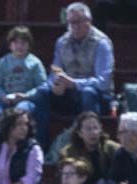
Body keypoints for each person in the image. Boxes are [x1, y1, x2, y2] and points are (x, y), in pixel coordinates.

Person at [27, 3, 114, 142]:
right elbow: (56, 69)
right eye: (70, 22)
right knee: (42, 92)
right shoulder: (62, 42)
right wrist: (55, 83)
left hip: (97, 97)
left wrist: (74, 84)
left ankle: (89, 145)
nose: (73, 26)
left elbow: (103, 82)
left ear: (88, 21)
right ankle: (39, 144)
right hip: (68, 94)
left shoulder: (101, 44)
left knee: (88, 93)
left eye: (77, 22)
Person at [0, 26, 46, 135]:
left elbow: (42, 86)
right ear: (10, 45)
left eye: (23, 42)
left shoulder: (35, 63)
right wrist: (3, 96)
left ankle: (22, 141)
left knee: (20, 110)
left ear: (29, 45)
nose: (19, 46)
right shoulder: (3, 62)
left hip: (27, 101)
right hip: (7, 100)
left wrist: (26, 96)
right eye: (16, 42)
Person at [58, 111, 117, 184]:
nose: (93, 132)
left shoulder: (113, 149)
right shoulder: (68, 153)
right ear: (79, 133)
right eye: (88, 129)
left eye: (95, 128)